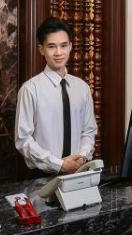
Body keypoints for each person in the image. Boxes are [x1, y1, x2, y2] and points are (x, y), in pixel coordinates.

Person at [15, 17, 98, 177]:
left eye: (63, 45)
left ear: (71, 46)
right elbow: (23, 139)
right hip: (43, 176)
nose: (59, 52)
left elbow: (89, 130)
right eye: (52, 46)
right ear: (41, 49)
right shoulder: (30, 89)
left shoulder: (82, 88)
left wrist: (81, 157)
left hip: (78, 172)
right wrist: (59, 164)